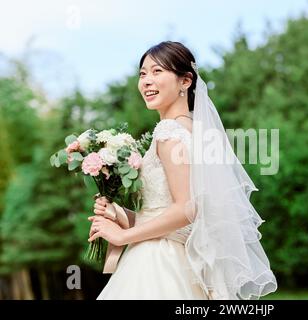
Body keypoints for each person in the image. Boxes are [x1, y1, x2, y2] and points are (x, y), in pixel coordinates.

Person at [88, 41, 277, 300]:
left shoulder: (169, 133)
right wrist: (120, 213)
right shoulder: (195, 131)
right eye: (142, 74)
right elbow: (172, 214)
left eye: (157, 72)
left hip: (157, 262)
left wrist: (123, 236)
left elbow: (187, 209)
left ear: (185, 81)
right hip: (182, 257)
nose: (146, 81)